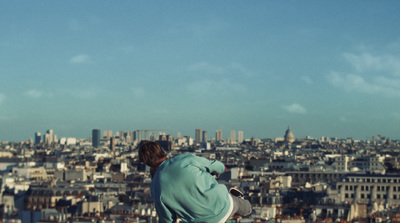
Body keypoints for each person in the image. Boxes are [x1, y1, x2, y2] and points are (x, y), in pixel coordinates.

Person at [139, 141, 252, 223]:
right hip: (224, 204)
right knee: (246, 207)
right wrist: (221, 168)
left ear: (146, 162)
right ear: (162, 151)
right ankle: (239, 207)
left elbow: (167, 219)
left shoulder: (155, 188)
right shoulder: (184, 159)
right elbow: (216, 166)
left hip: (202, 221)